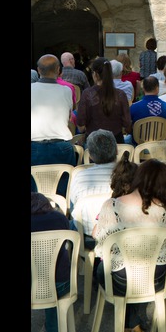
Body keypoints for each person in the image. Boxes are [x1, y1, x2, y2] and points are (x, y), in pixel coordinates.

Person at [92, 159, 166, 332]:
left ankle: (128, 322)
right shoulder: (164, 210)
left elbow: (99, 238)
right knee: (131, 265)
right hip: (155, 278)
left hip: (121, 280)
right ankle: (132, 321)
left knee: (108, 267)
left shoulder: (112, 205)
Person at [31, 192, 72, 332]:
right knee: (52, 287)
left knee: (43, 281)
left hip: (33, 285)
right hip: (62, 283)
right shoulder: (60, 219)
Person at [31, 54, 75, 194]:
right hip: (61, 145)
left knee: (34, 193)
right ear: (58, 70)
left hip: (34, 145)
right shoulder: (67, 90)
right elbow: (69, 115)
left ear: (38, 70)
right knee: (62, 192)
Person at [68, 129, 118, 248]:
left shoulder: (79, 177)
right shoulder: (128, 175)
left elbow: (72, 208)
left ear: (89, 155)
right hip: (120, 234)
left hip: (87, 236)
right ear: (116, 150)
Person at [76, 58, 132, 144]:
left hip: (93, 143)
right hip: (116, 142)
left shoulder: (87, 94)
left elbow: (81, 125)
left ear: (95, 74)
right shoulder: (120, 95)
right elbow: (127, 123)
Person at [129, 76, 166, 145]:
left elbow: (128, 128)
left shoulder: (134, 107)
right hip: (159, 145)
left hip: (139, 146)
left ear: (143, 89)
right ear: (157, 89)